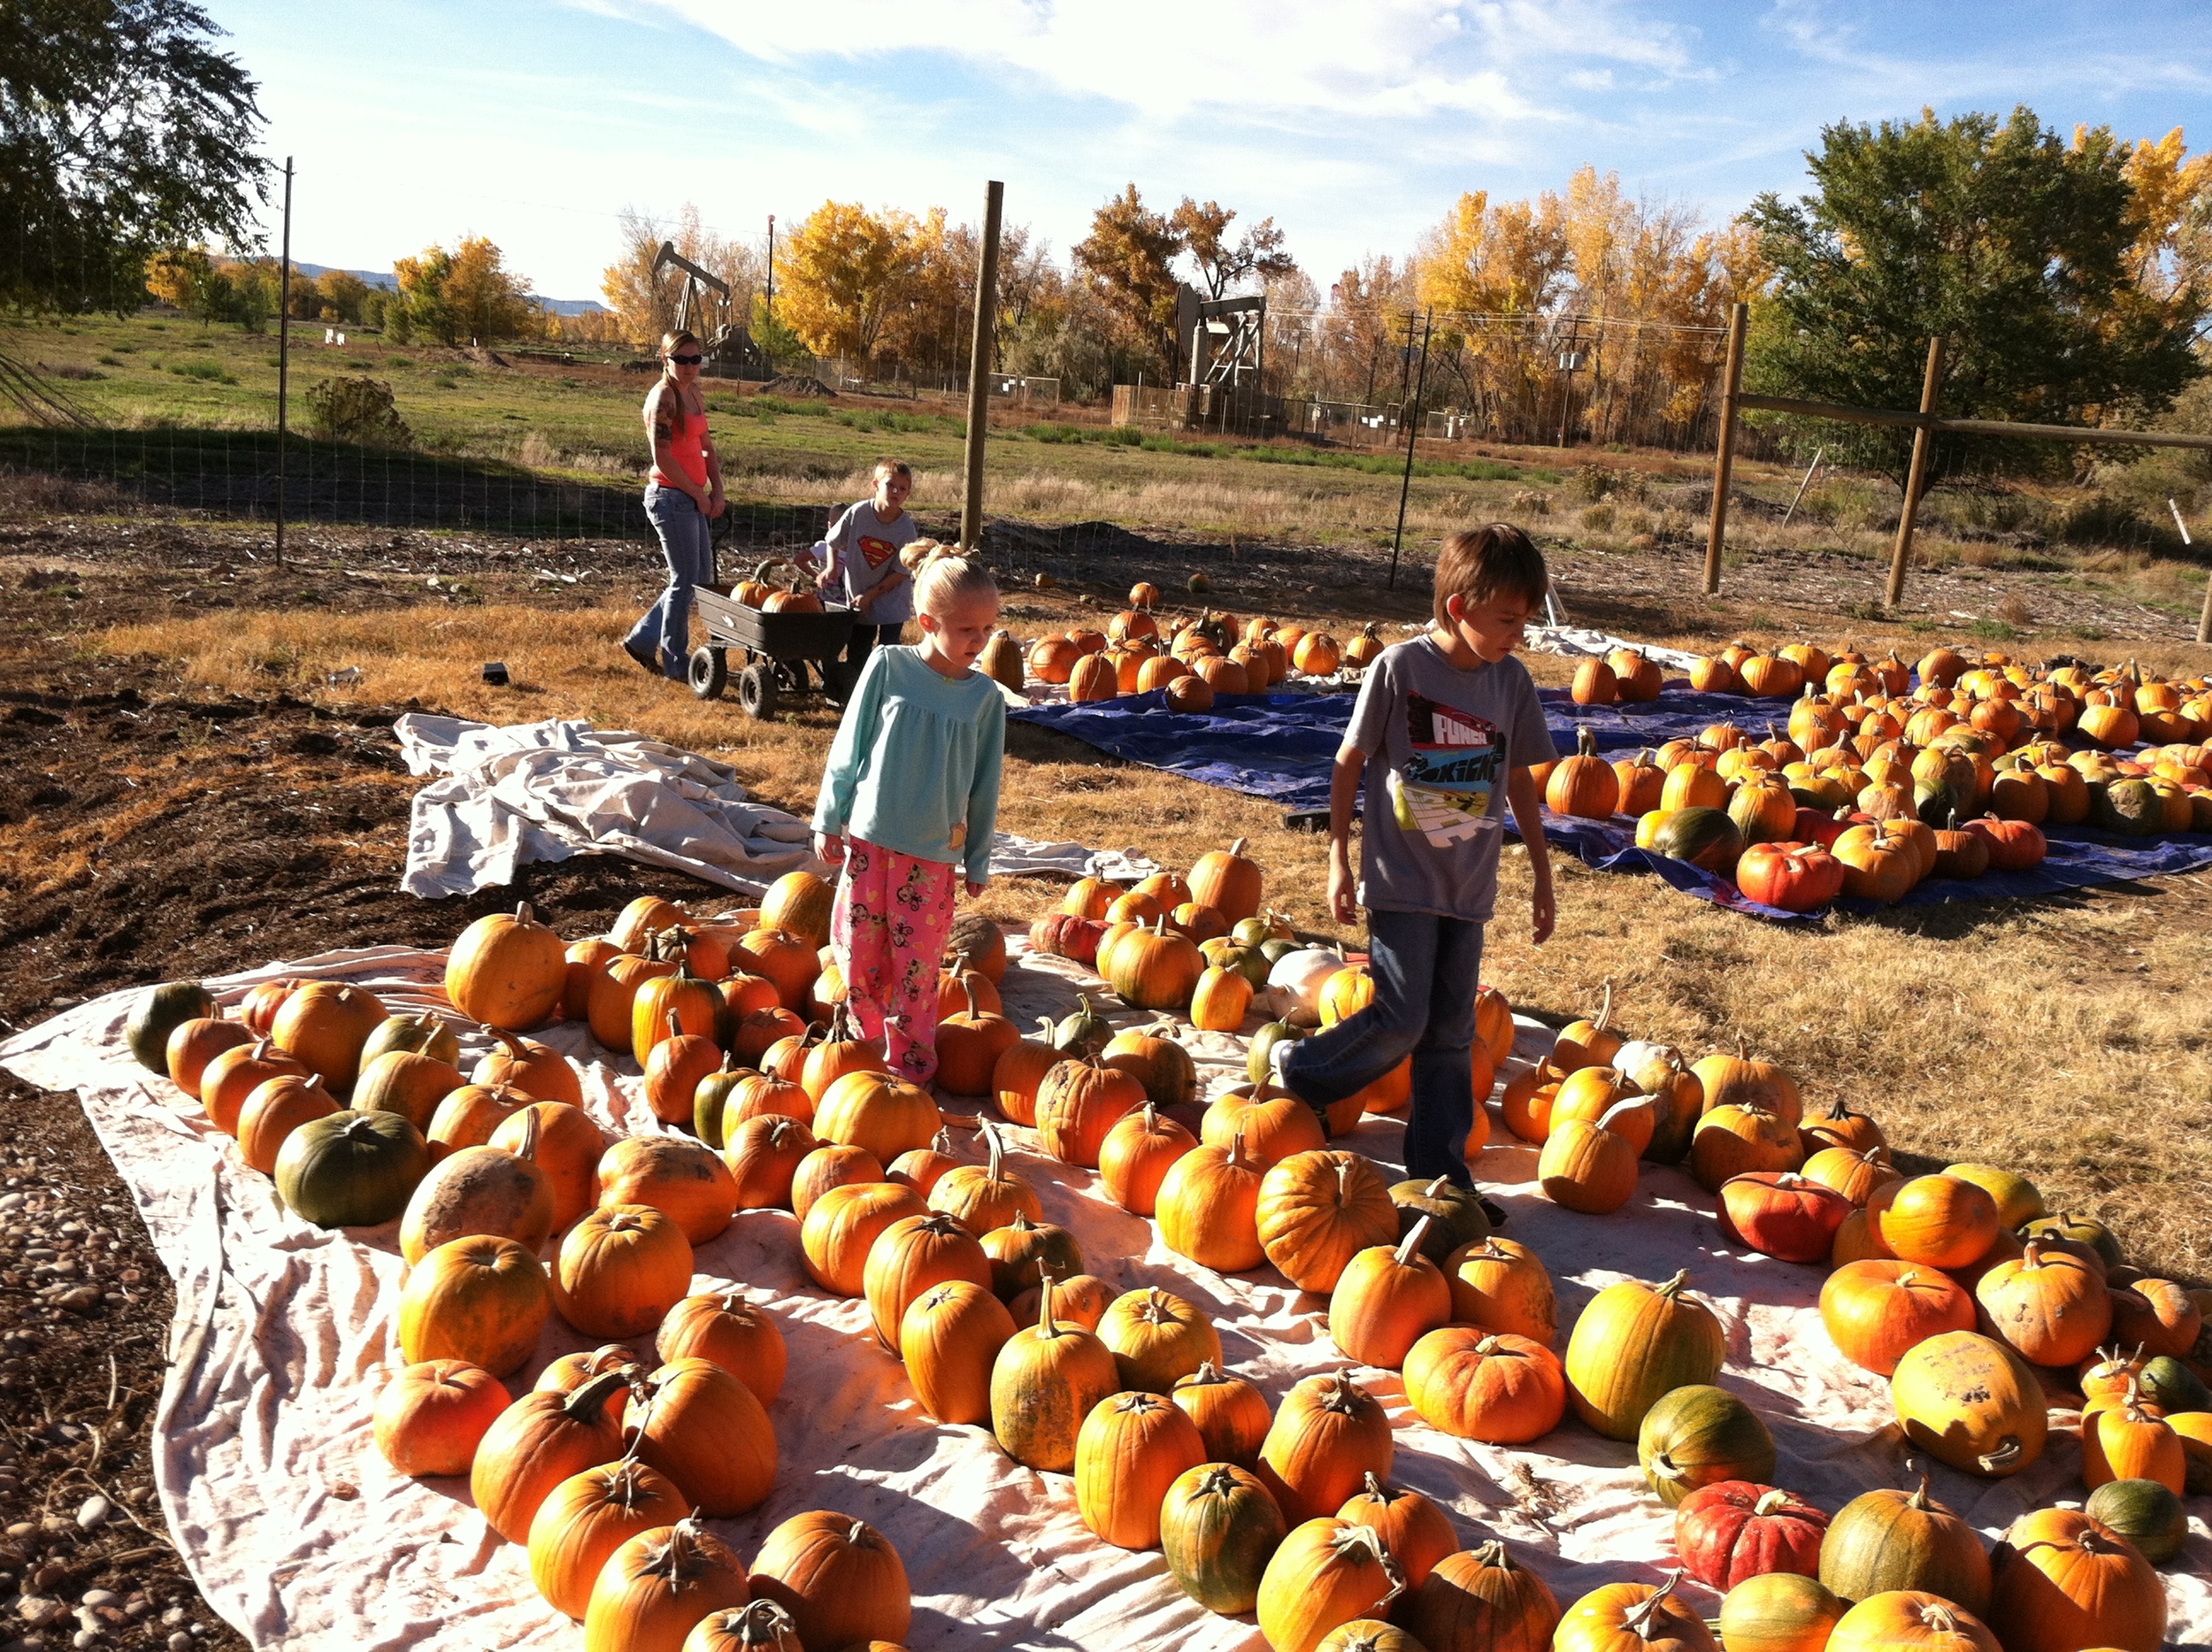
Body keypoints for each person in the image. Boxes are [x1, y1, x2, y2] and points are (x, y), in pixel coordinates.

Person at [1274, 523, 1558, 1188]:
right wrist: (1339, 858)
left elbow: (1519, 779)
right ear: (1459, 608)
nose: (1519, 633)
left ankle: (1439, 1176)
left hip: (1469, 888)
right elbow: (1348, 762)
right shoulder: (1400, 669)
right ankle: (1306, 1070)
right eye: (1508, 619)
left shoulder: (1510, 682)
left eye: (1525, 619)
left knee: (1452, 1036)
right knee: (1403, 1018)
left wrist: (1543, 875)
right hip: (1401, 880)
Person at [811, 544, 1005, 1085]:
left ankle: (911, 1068)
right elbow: (849, 746)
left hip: (933, 854)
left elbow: (985, 786)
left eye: (988, 628)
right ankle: (865, 1051)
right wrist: (828, 817)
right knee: (858, 956)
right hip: (870, 842)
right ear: (927, 622)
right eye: (967, 629)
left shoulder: (985, 699)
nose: (980, 640)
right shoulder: (888, 666)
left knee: (916, 970)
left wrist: (978, 859)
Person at [623, 330, 726, 681]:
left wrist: (717, 489)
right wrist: (698, 494)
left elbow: (706, 446)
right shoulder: (663, 398)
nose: (690, 366)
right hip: (670, 497)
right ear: (665, 359)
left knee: (698, 579)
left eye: (696, 359)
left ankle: (643, 639)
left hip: (693, 497)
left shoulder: (694, 392)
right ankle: (675, 661)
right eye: (681, 359)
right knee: (684, 580)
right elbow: (662, 457)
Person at [810, 459, 919, 675]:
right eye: (890, 485)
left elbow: (901, 572)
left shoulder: (906, 528)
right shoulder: (858, 513)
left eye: (902, 488)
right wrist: (831, 568)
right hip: (858, 594)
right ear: (876, 485)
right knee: (859, 650)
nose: (895, 492)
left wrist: (871, 596)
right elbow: (833, 541)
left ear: (908, 494)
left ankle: (886, 686)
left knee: (888, 653)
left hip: (891, 598)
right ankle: (855, 685)